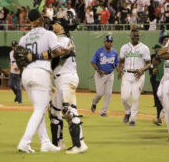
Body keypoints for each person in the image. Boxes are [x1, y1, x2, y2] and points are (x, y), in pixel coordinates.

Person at [17, 9, 73, 153]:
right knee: (40, 110)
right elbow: (57, 53)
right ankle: (25, 142)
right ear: (41, 19)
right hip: (40, 73)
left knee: (38, 110)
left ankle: (45, 142)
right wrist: (67, 50)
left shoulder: (24, 38)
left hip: (26, 74)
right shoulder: (48, 34)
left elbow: (19, 61)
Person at [48, 18, 88, 155]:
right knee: (54, 111)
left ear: (60, 26)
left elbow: (54, 54)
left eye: (55, 23)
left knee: (68, 111)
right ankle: (58, 143)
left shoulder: (62, 40)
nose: (53, 25)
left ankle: (78, 145)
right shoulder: (61, 39)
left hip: (66, 77)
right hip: (61, 78)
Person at [118, 28, 151, 126]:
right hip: (127, 74)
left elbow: (149, 63)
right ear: (130, 35)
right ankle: (127, 112)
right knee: (124, 98)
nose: (136, 37)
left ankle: (132, 119)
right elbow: (121, 61)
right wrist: (119, 69)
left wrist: (142, 69)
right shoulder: (124, 47)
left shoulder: (144, 48)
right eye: (134, 35)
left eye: (137, 35)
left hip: (138, 75)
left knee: (135, 98)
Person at [90, 35, 118, 117]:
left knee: (108, 94)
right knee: (99, 93)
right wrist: (98, 70)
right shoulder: (99, 51)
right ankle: (94, 103)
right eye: (108, 42)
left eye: (111, 42)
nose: (109, 43)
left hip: (110, 74)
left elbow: (116, 63)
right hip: (100, 75)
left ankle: (103, 112)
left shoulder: (114, 52)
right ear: (104, 42)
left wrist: (119, 70)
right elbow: (92, 62)